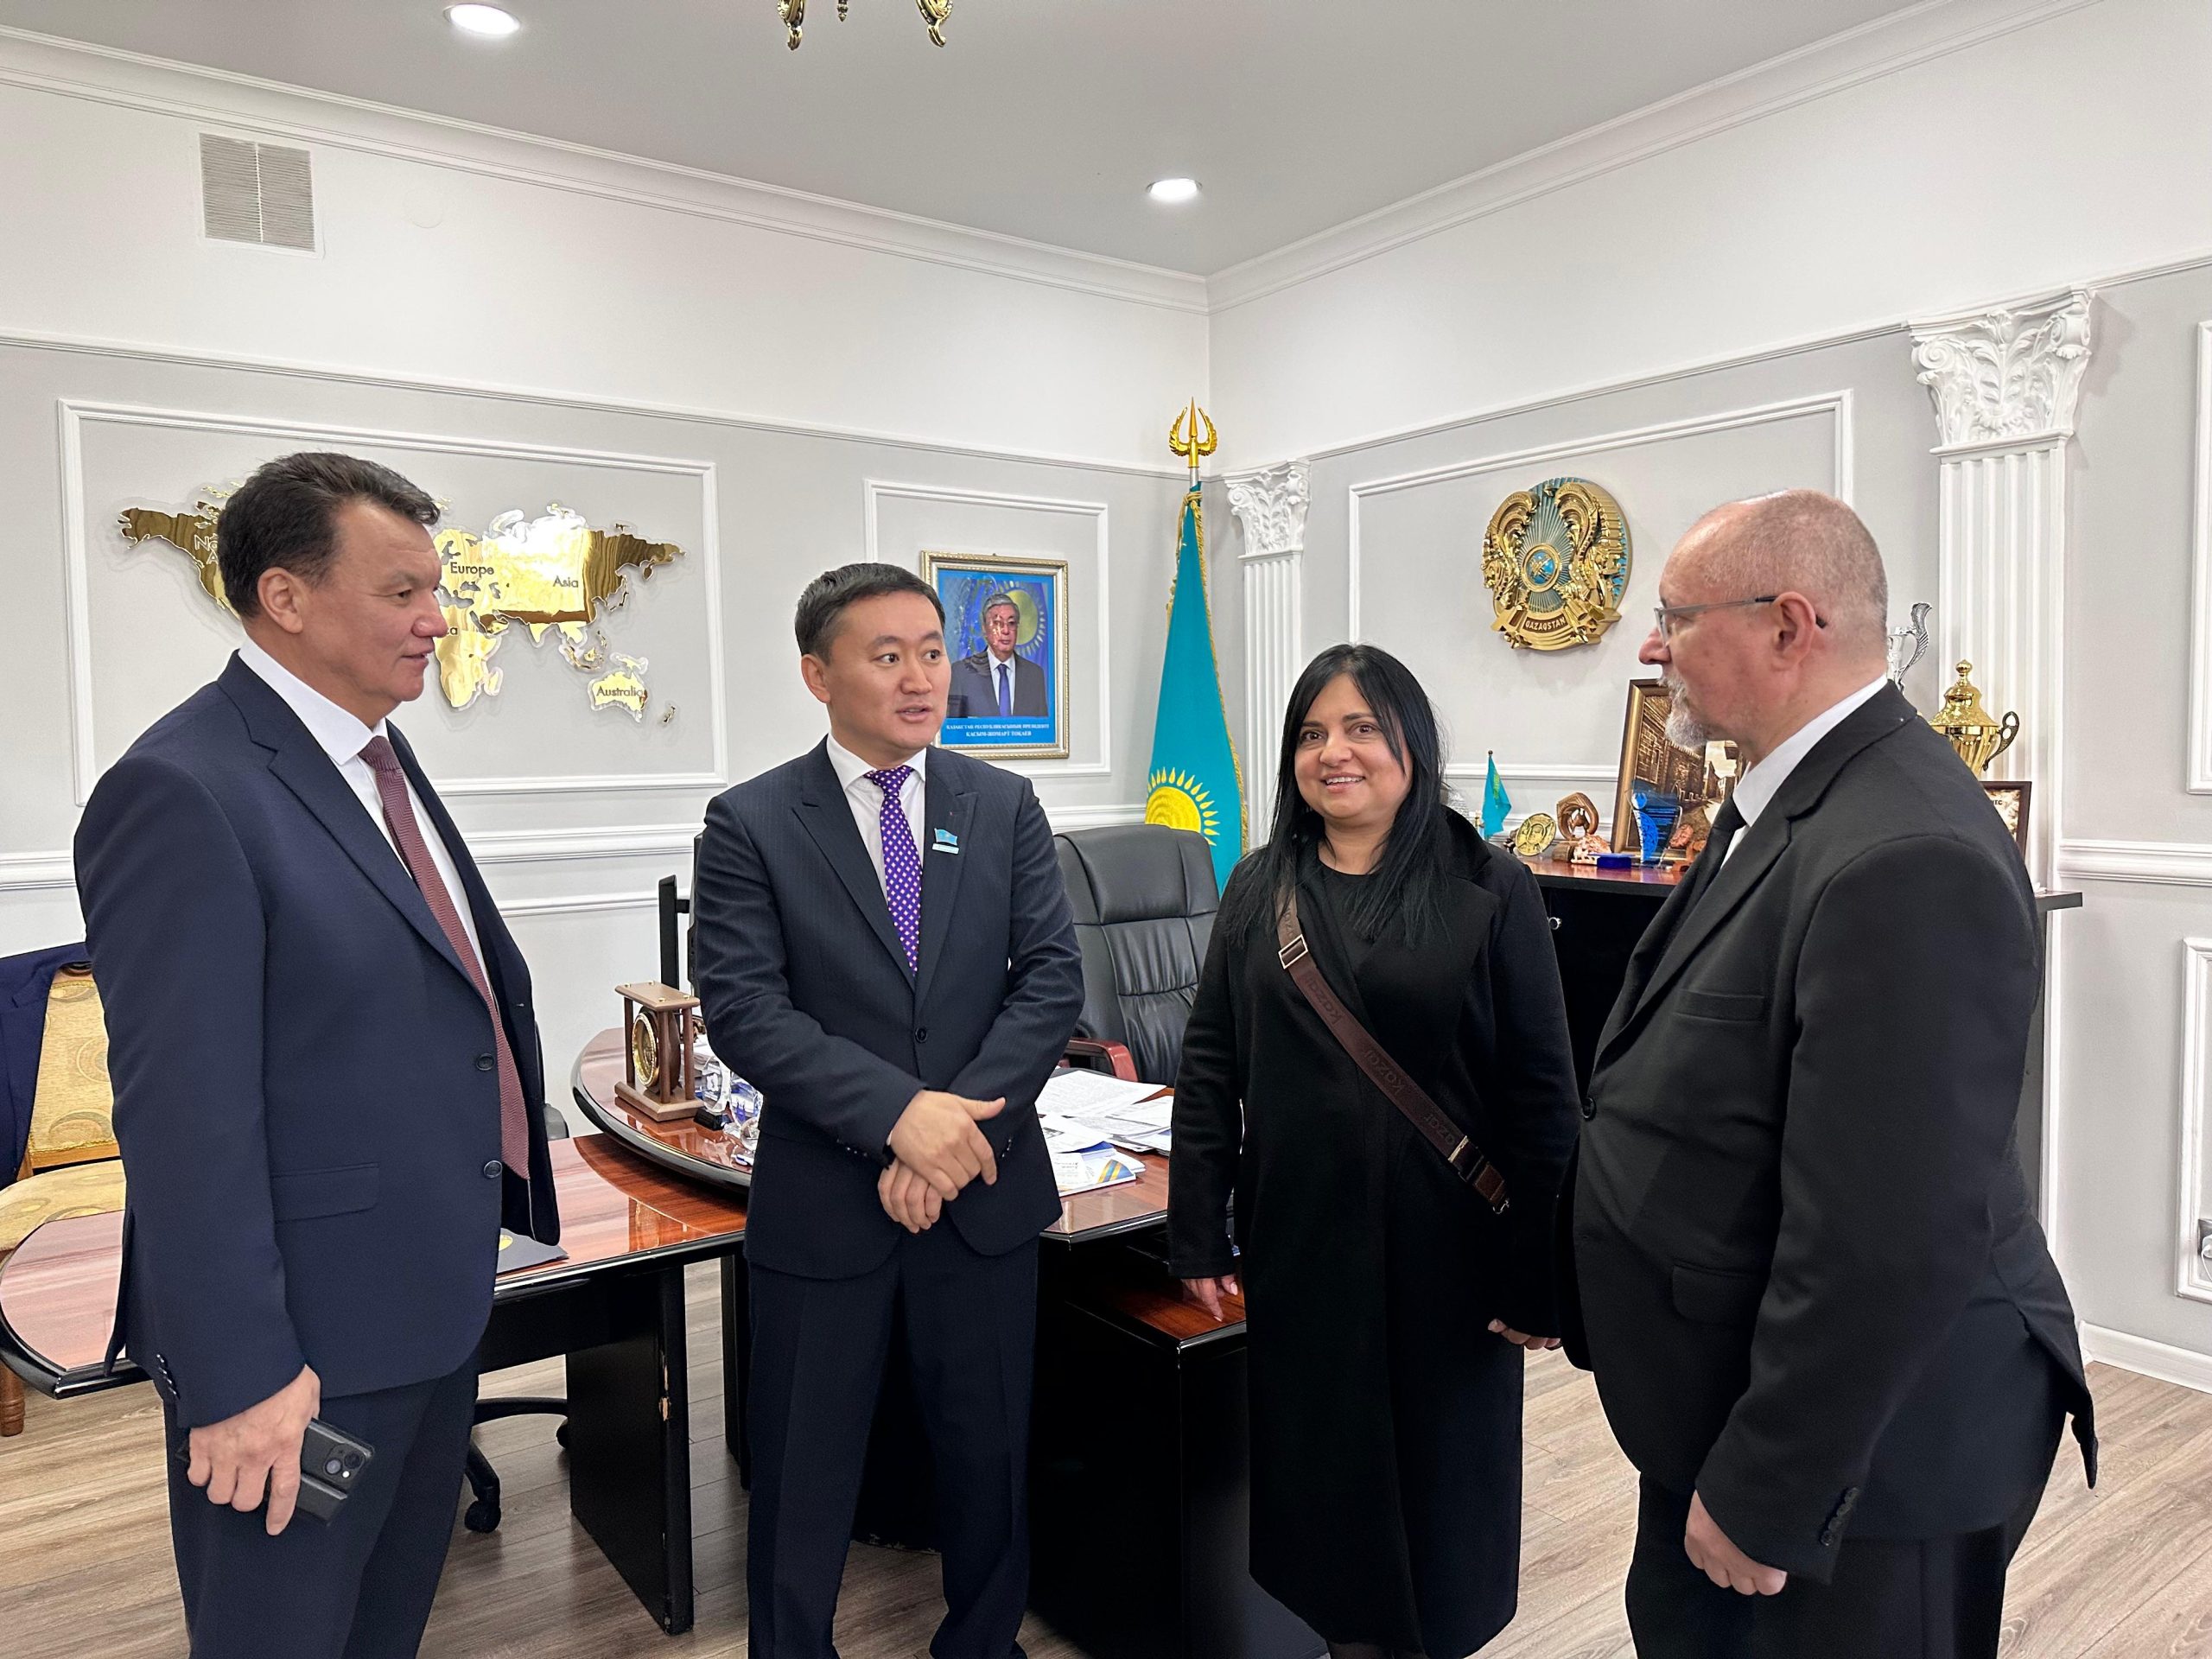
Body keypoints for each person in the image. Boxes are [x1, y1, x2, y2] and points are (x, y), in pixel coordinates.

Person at [1560, 489, 2096, 1659]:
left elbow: (1890, 1236)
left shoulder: (1906, 853)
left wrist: (1771, 1487)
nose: (1652, 649)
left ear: (1789, 625)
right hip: (1735, 1409)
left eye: (1675, 618)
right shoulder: (1794, 795)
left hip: (1859, 1478)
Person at [73, 451, 561, 1658]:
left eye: (435, 590)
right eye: (402, 592)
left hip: (427, 1309)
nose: (436, 620)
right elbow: (184, 1122)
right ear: (285, 598)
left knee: (383, 1626)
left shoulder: (373, 755)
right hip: (302, 1357)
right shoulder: (182, 789)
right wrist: (242, 1375)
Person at [691, 562, 1083, 1659]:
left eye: (932, 652)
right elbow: (745, 1010)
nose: (922, 678)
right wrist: (901, 1118)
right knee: (803, 1466)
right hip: (827, 1198)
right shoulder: (752, 821)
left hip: (982, 1192)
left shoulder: (998, 804)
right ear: (818, 675)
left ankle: (983, 1643)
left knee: (987, 1455)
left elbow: (1049, 980)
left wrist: (952, 1137)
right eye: (888, 655)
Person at [1170, 643, 1580, 1659]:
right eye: (1312, 733)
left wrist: (1539, 1275)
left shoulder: (1489, 885)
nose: (1333, 753)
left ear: (1410, 744)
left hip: (1449, 1255)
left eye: (1360, 728)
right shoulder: (1260, 884)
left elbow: (1543, 1098)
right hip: (1300, 1244)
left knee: (1440, 1497)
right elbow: (1210, 1066)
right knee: (1324, 1495)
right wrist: (1198, 1231)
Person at [948, 592, 1047, 718]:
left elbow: (1042, 727)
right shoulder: (961, 673)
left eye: (1011, 623)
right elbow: (954, 727)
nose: (1005, 630)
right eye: (997, 623)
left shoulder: (1034, 674)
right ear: (984, 629)